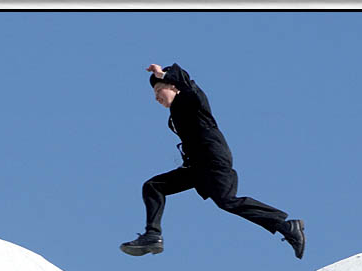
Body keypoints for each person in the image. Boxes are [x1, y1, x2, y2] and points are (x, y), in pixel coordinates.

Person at [120, 63, 305, 259]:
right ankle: (152, 235)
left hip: (212, 160)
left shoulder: (191, 98)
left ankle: (286, 226)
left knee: (227, 201)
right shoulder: (176, 112)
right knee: (153, 187)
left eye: (159, 90)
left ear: (173, 86)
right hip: (198, 166)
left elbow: (188, 84)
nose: (156, 97)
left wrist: (164, 73)